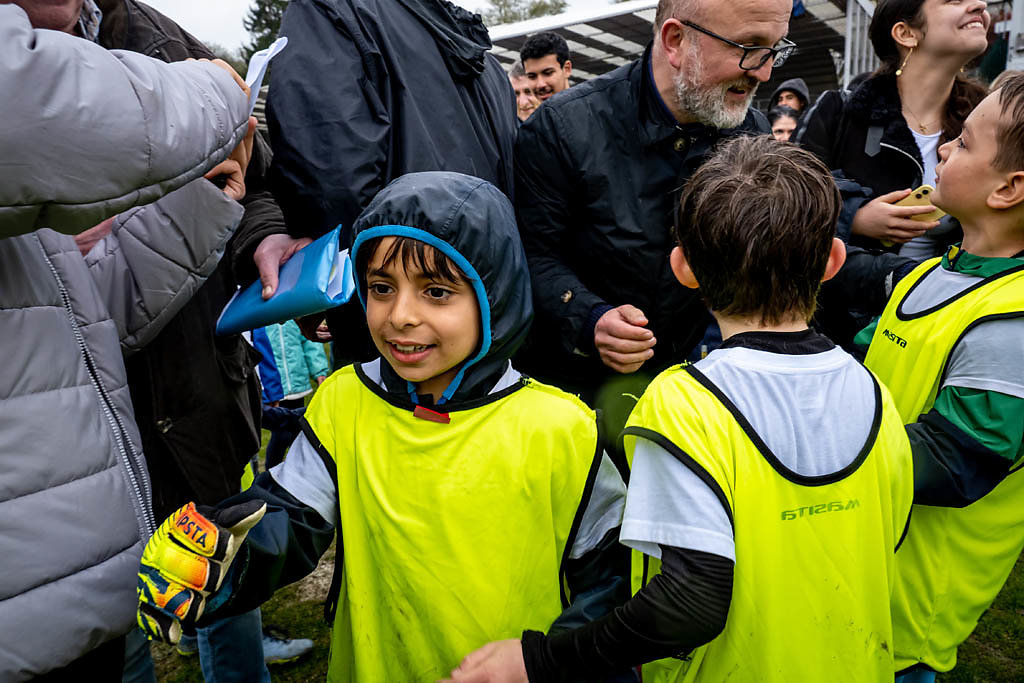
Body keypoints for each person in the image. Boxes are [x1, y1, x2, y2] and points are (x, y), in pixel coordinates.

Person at [444, 136, 914, 683]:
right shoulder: (874, 388)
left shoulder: (684, 401)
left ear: (683, 267)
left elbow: (689, 602)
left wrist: (539, 660)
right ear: (834, 260)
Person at [135, 172, 631, 682]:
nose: (400, 316)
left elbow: (608, 583)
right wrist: (224, 561)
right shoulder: (345, 401)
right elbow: (292, 518)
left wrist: (553, 664)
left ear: (495, 296)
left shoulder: (561, 428)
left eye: (436, 292)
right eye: (380, 288)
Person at [0, 3, 252, 678]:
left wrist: (202, 201)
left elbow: (79, 326)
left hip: (75, 591)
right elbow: (40, 104)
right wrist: (223, 89)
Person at [512, 0, 789, 404]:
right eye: (748, 48)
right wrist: (590, 316)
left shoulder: (751, 131)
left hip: (694, 388)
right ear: (675, 41)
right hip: (572, 396)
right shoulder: (564, 127)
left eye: (775, 51)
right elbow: (528, 254)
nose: (764, 72)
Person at [859, 75, 1024, 683]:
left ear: (1008, 188)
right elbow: (863, 362)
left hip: (914, 608)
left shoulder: (1015, 319)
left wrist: (818, 455)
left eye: (964, 141)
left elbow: (958, 461)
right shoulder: (931, 272)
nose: (945, 149)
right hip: (866, 565)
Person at [264, 0, 519, 368]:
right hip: (486, 314)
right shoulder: (478, 51)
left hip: (391, 327)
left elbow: (327, 176)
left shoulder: (330, 11)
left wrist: (322, 284)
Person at [797, 0, 989, 262]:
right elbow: (786, 200)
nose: (980, 4)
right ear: (906, 34)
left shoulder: (990, 122)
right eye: (954, 0)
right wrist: (853, 217)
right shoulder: (839, 112)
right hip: (849, 297)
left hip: (956, 298)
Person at [253, 320, 329, 469]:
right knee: (281, 434)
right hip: (277, 386)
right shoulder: (262, 319)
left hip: (297, 382)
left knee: (299, 430)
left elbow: (309, 342)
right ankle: (272, 469)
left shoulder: (294, 315)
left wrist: (319, 370)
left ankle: (297, 470)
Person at [520, 31, 573, 102]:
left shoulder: (590, 110)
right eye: (532, 76)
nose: (540, 84)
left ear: (567, 69)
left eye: (547, 73)